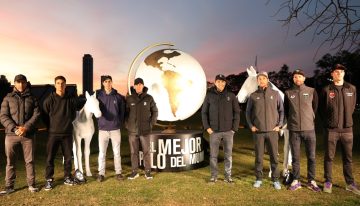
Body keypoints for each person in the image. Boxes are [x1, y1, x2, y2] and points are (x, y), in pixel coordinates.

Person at [321, 64, 360, 195]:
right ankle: (328, 181)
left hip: (347, 130)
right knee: (329, 158)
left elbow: (352, 106)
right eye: (336, 72)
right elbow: (321, 109)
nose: (339, 74)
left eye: (341, 72)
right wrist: (328, 122)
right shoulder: (326, 89)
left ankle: (350, 183)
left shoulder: (351, 88)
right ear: (332, 74)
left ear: (344, 74)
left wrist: (347, 120)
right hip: (332, 130)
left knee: (348, 158)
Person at [0, 74, 40, 194]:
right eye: (18, 82)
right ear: (14, 84)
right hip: (11, 135)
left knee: (30, 161)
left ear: (26, 83)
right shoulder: (7, 98)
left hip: (28, 135)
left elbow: (36, 114)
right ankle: (9, 186)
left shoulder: (33, 98)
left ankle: (31, 185)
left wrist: (26, 128)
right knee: (10, 162)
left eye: (23, 82)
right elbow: (3, 116)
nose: (21, 84)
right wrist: (14, 128)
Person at [246, 71, 284, 190]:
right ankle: (258, 178)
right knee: (259, 157)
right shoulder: (253, 95)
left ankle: (275, 179)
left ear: (267, 80)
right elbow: (247, 112)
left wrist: (280, 125)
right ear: (257, 81)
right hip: (258, 132)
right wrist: (251, 125)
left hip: (273, 131)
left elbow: (281, 111)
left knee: (274, 157)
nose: (261, 80)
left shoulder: (275, 94)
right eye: (259, 79)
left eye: (263, 78)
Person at [284, 69, 320, 192]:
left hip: (309, 130)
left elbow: (315, 108)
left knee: (311, 157)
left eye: (300, 76)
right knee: (295, 157)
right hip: (294, 130)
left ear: (304, 78)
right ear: (293, 79)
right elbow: (287, 110)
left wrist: (308, 119)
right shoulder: (288, 93)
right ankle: (296, 180)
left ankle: (311, 181)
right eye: (295, 77)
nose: (297, 79)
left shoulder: (311, 91)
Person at [43, 76, 81, 190]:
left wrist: (68, 123)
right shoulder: (49, 100)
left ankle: (67, 177)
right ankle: (49, 179)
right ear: (55, 85)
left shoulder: (71, 99)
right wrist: (51, 127)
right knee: (50, 157)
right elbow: (44, 116)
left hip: (67, 134)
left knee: (68, 157)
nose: (60, 85)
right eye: (58, 83)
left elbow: (75, 113)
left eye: (62, 83)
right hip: (53, 134)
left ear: (65, 85)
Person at [201, 74, 240, 183]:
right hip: (214, 132)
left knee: (228, 155)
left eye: (223, 81)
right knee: (213, 156)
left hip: (228, 131)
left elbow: (237, 113)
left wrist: (234, 129)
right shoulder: (209, 95)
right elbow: (204, 113)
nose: (221, 83)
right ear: (215, 82)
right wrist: (207, 127)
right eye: (218, 81)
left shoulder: (231, 96)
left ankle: (228, 176)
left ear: (225, 83)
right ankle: (214, 176)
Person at [126, 78, 158, 180]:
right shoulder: (130, 98)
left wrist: (151, 124)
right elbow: (125, 114)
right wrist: (127, 125)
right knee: (133, 152)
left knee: (146, 151)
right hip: (133, 131)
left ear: (143, 86)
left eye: (141, 84)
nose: (139, 86)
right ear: (134, 86)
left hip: (145, 130)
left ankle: (147, 171)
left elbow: (155, 111)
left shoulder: (149, 98)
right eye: (137, 84)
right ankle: (134, 172)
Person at [96, 75, 125, 182]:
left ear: (112, 82)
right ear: (103, 83)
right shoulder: (98, 96)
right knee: (102, 153)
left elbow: (122, 112)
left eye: (109, 81)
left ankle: (118, 172)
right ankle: (101, 173)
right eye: (106, 81)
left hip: (115, 129)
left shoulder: (118, 97)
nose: (108, 83)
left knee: (116, 152)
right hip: (103, 129)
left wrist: (119, 122)